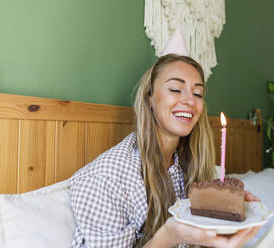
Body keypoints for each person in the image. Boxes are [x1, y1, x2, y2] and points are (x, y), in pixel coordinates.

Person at [69, 54, 260, 248]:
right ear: (149, 99)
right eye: (176, 89)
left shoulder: (194, 168)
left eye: (198, 94)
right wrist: (170, 235)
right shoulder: (105, 179)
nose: (190, 101)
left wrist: (226, 211)